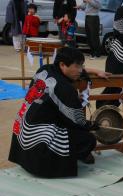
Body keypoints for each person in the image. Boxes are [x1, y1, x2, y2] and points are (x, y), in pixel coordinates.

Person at [8, 47, 111, 178]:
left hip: (20, 132)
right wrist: (91, 124)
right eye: (77, 66)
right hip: (37, 146)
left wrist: (96, 71)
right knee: (88, 139)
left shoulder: (44, 69)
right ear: (62, 64)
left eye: (81, 66)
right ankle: (64, 160)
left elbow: (48, 95)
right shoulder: (65, 88)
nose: (80, 70)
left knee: (62, 119)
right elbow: (78, 121)